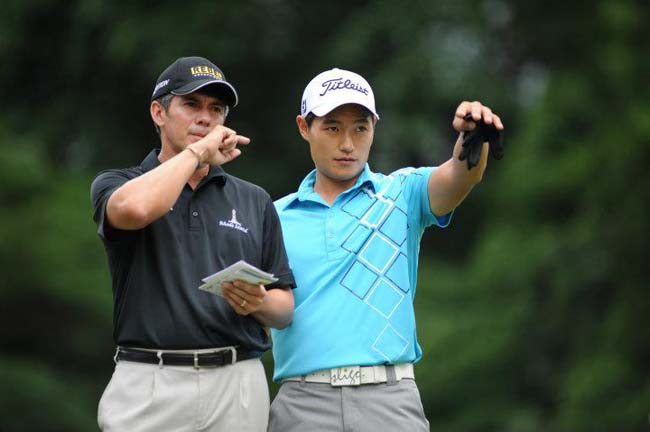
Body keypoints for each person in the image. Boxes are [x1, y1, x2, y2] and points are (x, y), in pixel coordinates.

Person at [268, 68, 504, 431]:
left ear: (374, 128)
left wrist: (473, 139)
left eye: (360, 127)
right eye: (332, 127)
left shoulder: (402, 194)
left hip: (389, 399)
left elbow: (460, 175)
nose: (347, 143)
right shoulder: (272, 216)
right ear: (304, 127)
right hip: (301, 403)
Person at [90, 56, 295, 432]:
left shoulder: (254, 199)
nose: (206, 118)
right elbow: (135, 209)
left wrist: (260, 302)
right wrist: (199, 152)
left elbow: (284, 310)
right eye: (191, 105)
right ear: (158, 112)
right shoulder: (118, 183)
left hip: (237, 382)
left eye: (216, 109)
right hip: (150, 380)